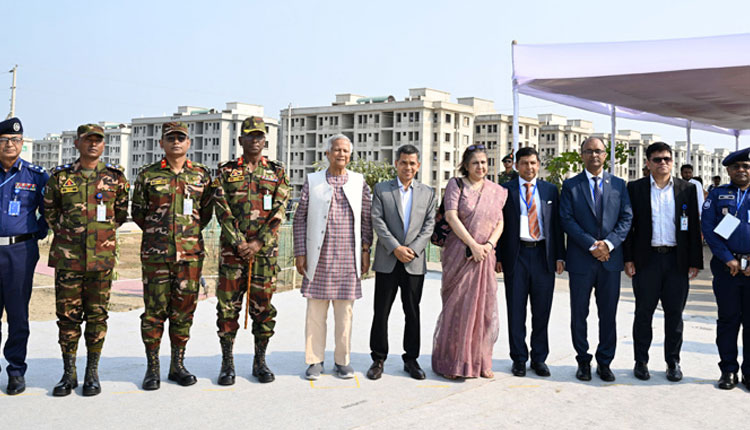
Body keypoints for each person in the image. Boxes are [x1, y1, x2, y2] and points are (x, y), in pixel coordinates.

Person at [43, 124, 129, 396]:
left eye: (98, 141)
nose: (93, 145)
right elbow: (49, 211)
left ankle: (92, 372)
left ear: (103, 145)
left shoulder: (116, 178)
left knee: (97, 316)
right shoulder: (60, 177)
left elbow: (121, 213)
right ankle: (68, 374)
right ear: (77, 144)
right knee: (67, 318)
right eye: (87, 140)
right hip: (68, 259)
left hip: (101, 260)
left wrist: (99, 236)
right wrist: (71, 234)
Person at [131, 122, 213, 390]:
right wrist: (160, 235)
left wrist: (185, 237)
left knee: (184, 312)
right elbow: (139, 213)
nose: (176, 142)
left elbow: (206, 214)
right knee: (154, 313)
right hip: (156, 256)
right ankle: (152, 368)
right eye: (171, 138)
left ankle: (177, 365)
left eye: (181, 138)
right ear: (161, 144)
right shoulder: (148, 175)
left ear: (188, 143)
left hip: (189, 256)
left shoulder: (201, 176)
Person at [213, 117, 290, 384]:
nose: (255, 140)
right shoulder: (225, 172)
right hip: (232, 255)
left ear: (265, 140)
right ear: (240, 140)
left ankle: (260, 361)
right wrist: (239, 243)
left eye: (259, 136)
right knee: (227, 309)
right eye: (250, 136)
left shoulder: (277, 173)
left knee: (264, 308)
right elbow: (222, 210)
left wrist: (257, 243)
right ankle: (227, 362)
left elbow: (280, 212)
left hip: (264, 255)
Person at [293, 134, 373, 380]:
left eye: (346, 151)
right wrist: (300, 252)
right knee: (316, 313)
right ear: (327, 154)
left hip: (348, 259)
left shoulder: (359, 182)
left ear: (350, 155)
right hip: (320, 258)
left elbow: (366, 219)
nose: (341, 155)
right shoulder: (313, 181)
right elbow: (300, 218)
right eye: (337, 150)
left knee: (344, 315)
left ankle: (342, 361)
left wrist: (366, 250)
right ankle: (314, 360)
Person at [624, 142, 703, 382]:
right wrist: (628, 258)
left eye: (667, 159)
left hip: (676, 261)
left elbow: (693, 228)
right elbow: (629, 226)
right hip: (646, 261)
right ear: (647, 163)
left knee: (674, 315)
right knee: (643, 313)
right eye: (657, 159)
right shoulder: (635, 188)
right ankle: (641, 361)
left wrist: (694, 261)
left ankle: (673, 361)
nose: (663, 163)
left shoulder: (686, 189)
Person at [559, 137, 632, 382]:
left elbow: (626, 219)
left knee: (608, 313)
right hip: (581, 260)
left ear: (605, 155)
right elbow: (567, 220)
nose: (594, 155)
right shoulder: (570, 186)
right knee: (579, 312)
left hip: (610, 260)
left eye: (598, 151)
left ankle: (605, 362)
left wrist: (608, 244)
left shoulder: (620, 185)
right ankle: (583, 359)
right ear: (581, 155)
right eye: (588, 151)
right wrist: (592, 245)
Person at [432, 144, 507, 379]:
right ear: (466, 165)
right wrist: (472, 245)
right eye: (475, 163)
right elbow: (451, 215)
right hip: (459, 254)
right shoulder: (456, 185)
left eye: (484, 163)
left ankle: (480, 361)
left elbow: (499, 222)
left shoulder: (496, 191)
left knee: (483, 311)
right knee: (457, 309)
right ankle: (453, 363)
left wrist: (488, 245)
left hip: (485, 256)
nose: (480, 167)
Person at [367, 144, 436, 381]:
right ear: (396, 164)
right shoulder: (381, 190)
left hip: (414, 262)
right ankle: (378, 358)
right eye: (403, 162)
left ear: (418, 166)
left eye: (412, 163)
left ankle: (411, 359)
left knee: (412, 312)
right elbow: (377, 220)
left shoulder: (428, 192)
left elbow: (429, 226)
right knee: (381, 312)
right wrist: (395, 247)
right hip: (388, 259)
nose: (408, 167)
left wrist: (413, 250)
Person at [495, 147, 564, 378]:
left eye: (533, 163)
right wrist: (498, 257)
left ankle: (539, 358)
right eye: (524, 163)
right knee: (516, 310)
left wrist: (559, 256)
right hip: (517, 255)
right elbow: (498, 225)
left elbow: (557, 226)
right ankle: (519, 359)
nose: (529, 167)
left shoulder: (550, 190)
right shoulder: (505, 190)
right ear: (516, 166)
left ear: (539, 164)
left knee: (542, 311)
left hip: (543, 256)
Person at [0, 118, 48, 395]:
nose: (10, 144)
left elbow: (50, 211)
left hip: (20, 251)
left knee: (18, 315)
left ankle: (16, 371)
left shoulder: (36, 175)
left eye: (16, 140)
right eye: (5, 139)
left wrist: (34, 234)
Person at [701, 147, 750, 390]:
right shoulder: (718, 195)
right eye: (736, 167)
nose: (741, 170)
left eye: (746, 166)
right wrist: (727, 258)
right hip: (726, 268)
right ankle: (728, 370)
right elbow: (708, 228)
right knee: (728, 320)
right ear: (729, 170)